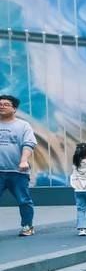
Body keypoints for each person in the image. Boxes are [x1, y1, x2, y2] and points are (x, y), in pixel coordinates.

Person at [0, 95, 36, 237]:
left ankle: (27, 226)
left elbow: (29, 144)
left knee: (24, 200)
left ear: (14, 109)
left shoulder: (23, 126)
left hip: (17, 171)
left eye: (6, 104)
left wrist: (24, 160)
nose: (1, 106)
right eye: (0, 104)